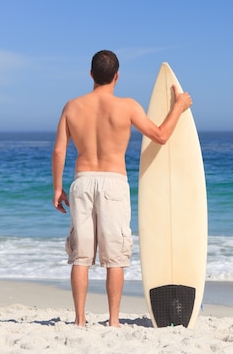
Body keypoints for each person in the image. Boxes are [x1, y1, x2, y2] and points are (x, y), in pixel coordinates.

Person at [51, 50, 192, 327]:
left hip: (82, 181)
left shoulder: (72, 107)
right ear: (117, 76)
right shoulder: (127, 106)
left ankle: (80, 320)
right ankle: (113, 321)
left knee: (80, 257)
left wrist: (57, 188)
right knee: (115, 257)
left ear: (91, 74)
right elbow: (161, 136)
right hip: (114, 183)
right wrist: (178, 106)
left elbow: (59, 150)